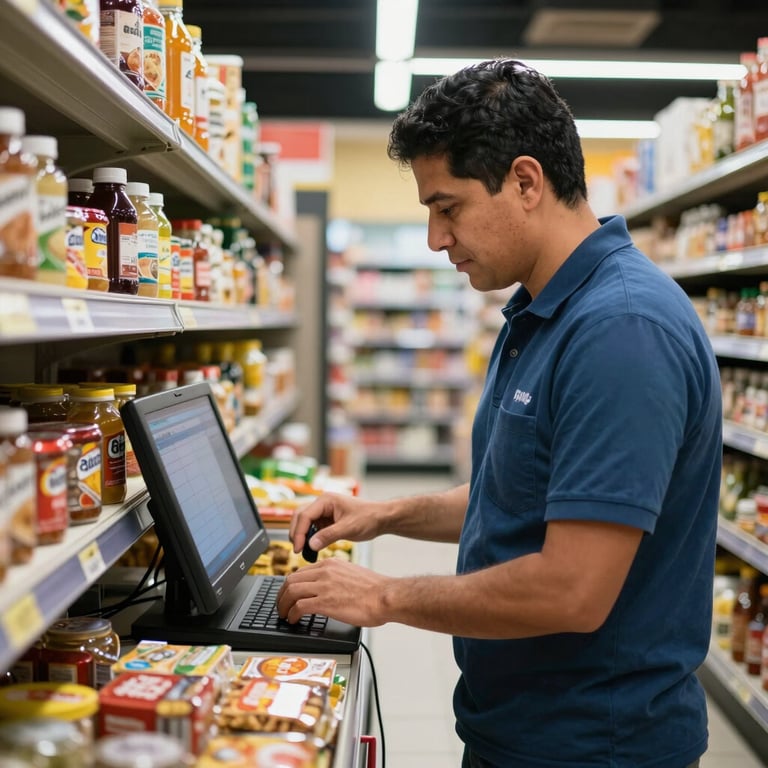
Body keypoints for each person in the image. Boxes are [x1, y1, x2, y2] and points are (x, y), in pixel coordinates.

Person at [277, 58, 722, 768]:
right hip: (523, 731)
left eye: (447, 207)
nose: (435, 238)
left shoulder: (621, 331)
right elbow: (519, 496)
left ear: (524, 181)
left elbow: (573, 589)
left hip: (592, 748)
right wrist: (385, 516)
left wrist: (386, 594)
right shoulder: (544, 313)